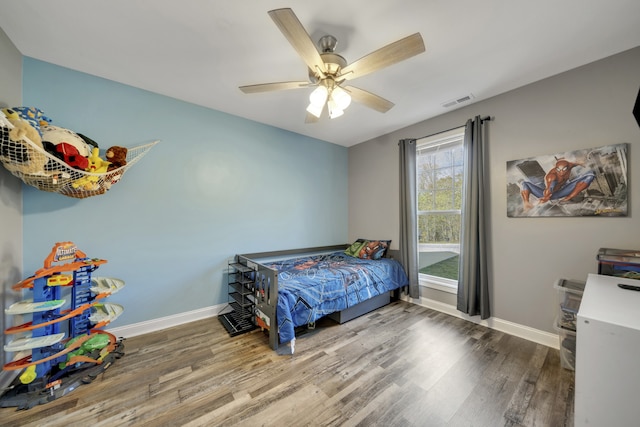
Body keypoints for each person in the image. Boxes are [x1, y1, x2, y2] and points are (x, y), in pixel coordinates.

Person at [520, 159, 595, 210]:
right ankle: (526, 202)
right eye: (559, 170)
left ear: (567, 167)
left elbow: (576, 163)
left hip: (563, 188)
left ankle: (568, 198)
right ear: (556, 169)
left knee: (590, 176)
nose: (561, 172)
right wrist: (545, 198)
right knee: (524, 183)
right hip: (552, 194)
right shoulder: (552, 176)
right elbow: (549, 190)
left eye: (564, 170)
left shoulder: (570, 165)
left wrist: (583, 164)